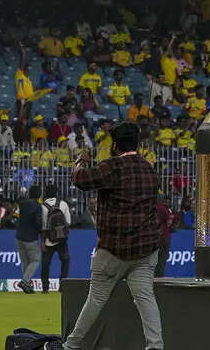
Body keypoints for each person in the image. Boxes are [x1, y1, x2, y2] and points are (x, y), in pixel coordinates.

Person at [61, 121, 167, 350]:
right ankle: (155, 346)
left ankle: (71, 345)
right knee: (146, 299)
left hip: (113, 249)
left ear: (115, 145)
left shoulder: (112, 167)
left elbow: (80, 180)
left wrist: (80, 162)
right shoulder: (149, 169)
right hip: (145, 249)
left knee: (96, 299)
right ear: (136, 144)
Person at [15, 185, 45, 292]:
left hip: (19, 236)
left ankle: (27, 285)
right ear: (39, 195)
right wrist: (41, 232)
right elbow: (38, 223)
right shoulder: (37, 206)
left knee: (25, 262)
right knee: (36, 260)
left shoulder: (22, 204)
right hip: (31, 237)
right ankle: (25, 281)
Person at [42, 190, 73, 288]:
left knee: (45, 264)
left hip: (48, 240)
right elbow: (68, 222)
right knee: (65, 260)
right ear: (56, 194)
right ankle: (63, 285)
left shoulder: (42, 206)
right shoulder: (63, 204)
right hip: (61, 239)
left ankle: (45, 286)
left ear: (45, 195)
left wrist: (43, 242)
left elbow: (43, 227)